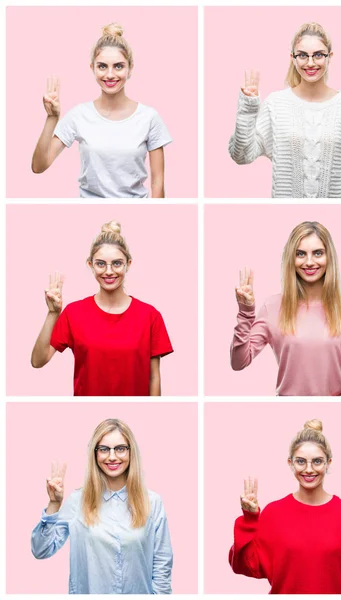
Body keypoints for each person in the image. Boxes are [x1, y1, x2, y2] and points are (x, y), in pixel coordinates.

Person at [229, 22, 341, 198]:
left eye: (318, 55)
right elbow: (241, 155)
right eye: (303, 55)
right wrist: (248, 109)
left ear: (329, 56)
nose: (310, 63)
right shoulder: (275, 104)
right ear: (293, 57)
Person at [31, 221, 173, 396]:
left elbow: (154, 377)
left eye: (117, 263)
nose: (108, 271)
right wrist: (53, 313)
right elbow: (38, 360)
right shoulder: (74, 313)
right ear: (91, 265)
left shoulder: (150, 316)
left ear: (128, 264)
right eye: (100, 264)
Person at [31, 419, 173, 594]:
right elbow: (40, 550)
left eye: (120, 448)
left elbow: (162, 565)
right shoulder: (77, 501)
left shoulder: (153, 502)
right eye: (104, 449)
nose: (112, 456)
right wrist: (54, 504)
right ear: (95, 454)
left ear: (131, 452)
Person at [229, 419, 341, 594]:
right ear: (290, 463)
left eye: (317, 461)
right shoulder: (274, 513)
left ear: (329, 463)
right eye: (301, 461)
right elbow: (246, 565)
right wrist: (250, 519)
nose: (309, 469)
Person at [32, 23, 172, 198]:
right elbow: (39, 166)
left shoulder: (149, 117)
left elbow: (157, 182)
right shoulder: (78, 115)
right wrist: (52, 118)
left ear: (130, 68)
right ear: (93, 68)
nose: (110, 74)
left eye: (119, 66)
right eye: (102, 66)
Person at [231, 221, 341, 395]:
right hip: (289, 411)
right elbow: (238, 362)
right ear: (291, 258)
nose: (309, 262)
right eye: (300, 254)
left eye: (318, 253)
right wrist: (245, 311)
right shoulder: (272, 307)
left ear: (329, 257)